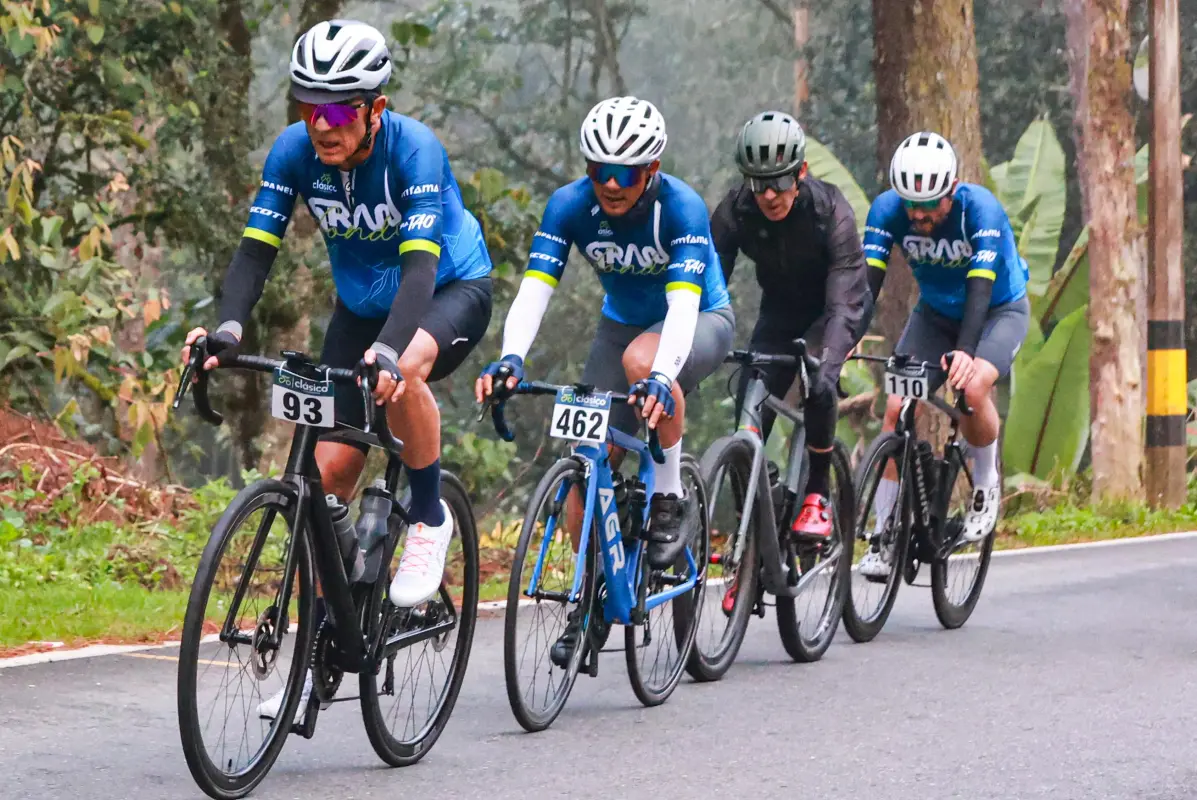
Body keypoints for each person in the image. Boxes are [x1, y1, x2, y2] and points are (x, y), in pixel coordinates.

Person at [179, 20, 493, 715]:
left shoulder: (415, 153)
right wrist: (227, 326)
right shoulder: (294, 152)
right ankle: (321, 649)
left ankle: (431, 514)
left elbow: (418, 269)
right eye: (307, 107)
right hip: (359, 309)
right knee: (325, 482)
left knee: (404, 367)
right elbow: (255, 250)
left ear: (374, 109)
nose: (320, 125)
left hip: (445, 292)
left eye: (337, 109)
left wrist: (386, 351)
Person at [475, 95, 734, 663]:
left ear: (652, 171)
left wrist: (664, 378)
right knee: (584, 465)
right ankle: (591, 598)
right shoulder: (569, 206)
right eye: (599, 171)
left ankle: (668, 498)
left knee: (645, 365)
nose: (611, 185)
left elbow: (683, 308)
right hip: (620, 327)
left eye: (625, 173)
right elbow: (535, 292)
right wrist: (511, 359)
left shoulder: (682, 208)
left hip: (697, 319)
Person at [860, 131, 1029, 576]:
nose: (918, 215)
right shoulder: (887, 211)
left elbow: (980, 288)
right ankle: (883, 533)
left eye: (929, 204)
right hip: (935, 316)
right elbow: (866, 287)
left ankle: (986, 484)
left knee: (971, 387)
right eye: (910, 204)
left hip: (997, 310)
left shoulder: (981, 210)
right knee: (897, 407)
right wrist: (844, 339)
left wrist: (966, 352)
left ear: (952, 188)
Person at [711, 111, 872, 540]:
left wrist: (831, 364)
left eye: (779, 181)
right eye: (757, 182)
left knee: (819, 379)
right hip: (780, 314)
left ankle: (818, 491)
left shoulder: (829, 210)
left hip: (836, 308)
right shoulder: (736, 211)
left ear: (800, 172)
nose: (768, 194)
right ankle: (756, 546)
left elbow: (845, 302)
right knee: (747, 425)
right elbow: (704, 286)